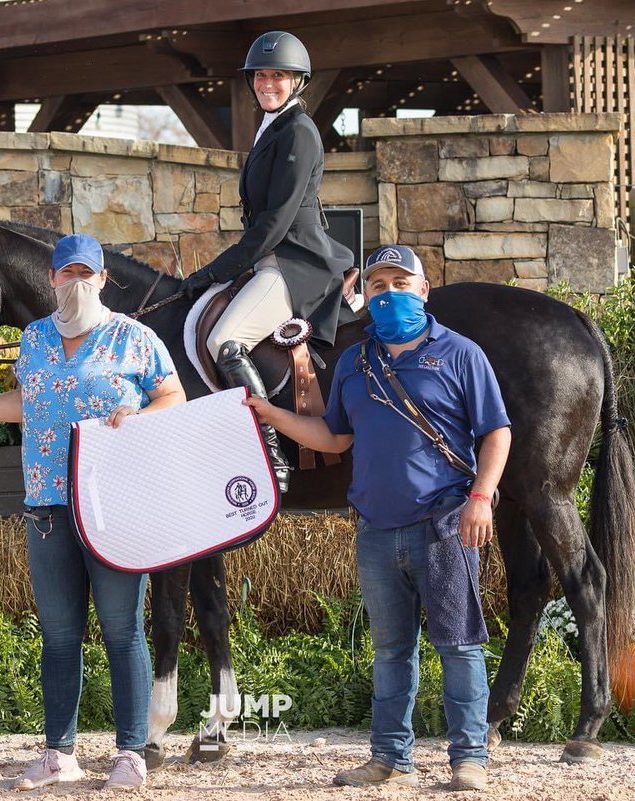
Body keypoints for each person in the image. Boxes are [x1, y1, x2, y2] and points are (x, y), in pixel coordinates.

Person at [245, 245, 512, 792]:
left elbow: (496, 432)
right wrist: (271, 414)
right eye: (379, 284)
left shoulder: (461, 354)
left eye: (399, 282)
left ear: (423, 290)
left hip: (445, 525)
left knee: (458, 645)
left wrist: (482, 495)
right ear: (367, 295)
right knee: (392, 653)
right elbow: (334, 436)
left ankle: (469, 759)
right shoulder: (355, 362)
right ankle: (390, 759)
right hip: (374, 531)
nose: (388, 292)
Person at [0, 233, 186, 792]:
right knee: (58, 635)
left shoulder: (134, 337)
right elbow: (24, 405)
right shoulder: (33, 340)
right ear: (51, 279)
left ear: (103, 279)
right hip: (48, 505)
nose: (75, 281)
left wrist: (138, 414)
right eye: (66, 272)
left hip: (115, 505)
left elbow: (172, 397)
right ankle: (60, 754)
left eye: (86, 272)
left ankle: (130, 754)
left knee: (123, 630)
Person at [178, 30, 355, 493]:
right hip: (271, 260)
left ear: (298, 81)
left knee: (223, 339)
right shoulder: (273, 128)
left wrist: (216, 270)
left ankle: (269, 450)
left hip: (294, 265)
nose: (267, 83)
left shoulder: (298, 131)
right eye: (260, 75)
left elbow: (275, 223)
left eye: (278, 75)